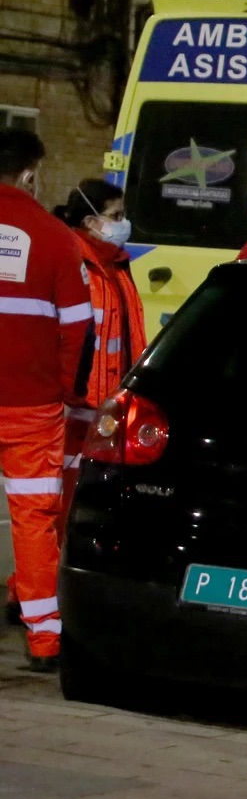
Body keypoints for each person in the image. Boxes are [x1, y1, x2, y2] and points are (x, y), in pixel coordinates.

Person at [0, 129, 90, 671]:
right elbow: (77, 328)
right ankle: (44, 640)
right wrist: (65, 390)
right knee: (34, 518)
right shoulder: (56, 239)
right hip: (32, 405)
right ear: (30, 173)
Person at [52, 180, 149, 514]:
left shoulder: (116, 265)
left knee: (98, 499)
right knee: (69, 500)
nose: (122, 222)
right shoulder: (76, 263)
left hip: (108, 405)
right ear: (91, 221)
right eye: (115, 215)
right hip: (77, 409)